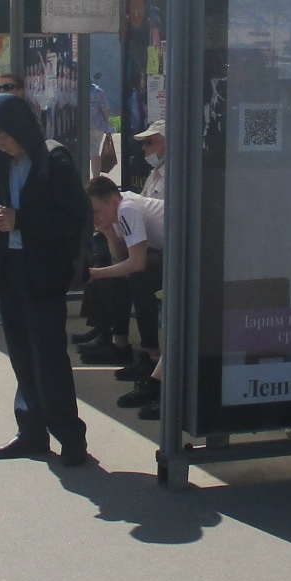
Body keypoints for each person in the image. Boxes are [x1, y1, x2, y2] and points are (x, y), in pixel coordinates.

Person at [0, 90, 91, 466]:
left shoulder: (53, 161)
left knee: (48, 357)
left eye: (4, 137)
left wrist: (21, 221)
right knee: (21, 355)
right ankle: (31, 431)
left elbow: (74, 219)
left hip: (43, 270)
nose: (1, 145)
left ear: (19, 128)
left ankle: (70, 435)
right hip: (10, 265)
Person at [84, 177, 166, 419]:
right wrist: (108, 231)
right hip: (175, 252)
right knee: (123, 278)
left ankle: (152, 356)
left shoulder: (128, 208)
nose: (94, 218)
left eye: (97, 211)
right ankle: (125, 346)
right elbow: (121, 258)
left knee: (139, 280)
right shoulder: (118, 212)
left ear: (113, 201)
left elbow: (137, 263)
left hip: (195, 253)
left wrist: (94, 275)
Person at [132, 121, 167, 201]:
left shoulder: (174, 177)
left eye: (148, 142)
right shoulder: (154, 173)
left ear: (166, 143)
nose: (143, 147)